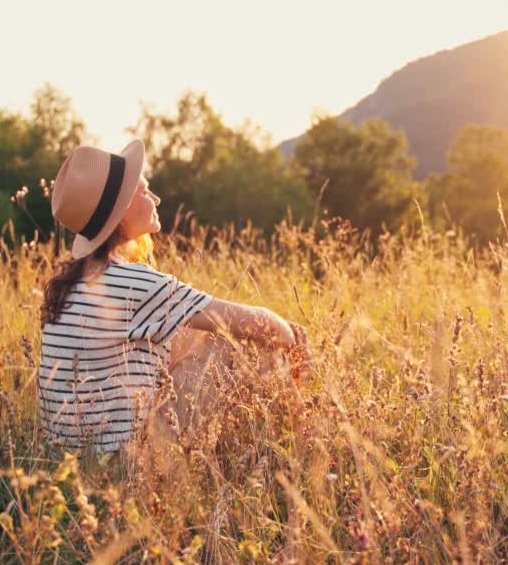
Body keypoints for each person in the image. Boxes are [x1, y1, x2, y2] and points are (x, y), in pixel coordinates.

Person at [38, 139, 310, 452]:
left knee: (193, 336)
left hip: (75, 460)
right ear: (123, 207)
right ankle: (307, 450)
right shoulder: (134, 282)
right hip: (130, 462)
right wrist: (293, 337)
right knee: (247, 340)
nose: (155, 198)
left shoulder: (74, 282)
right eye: (144, 190)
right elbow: (270, 328)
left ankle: (293, 445)